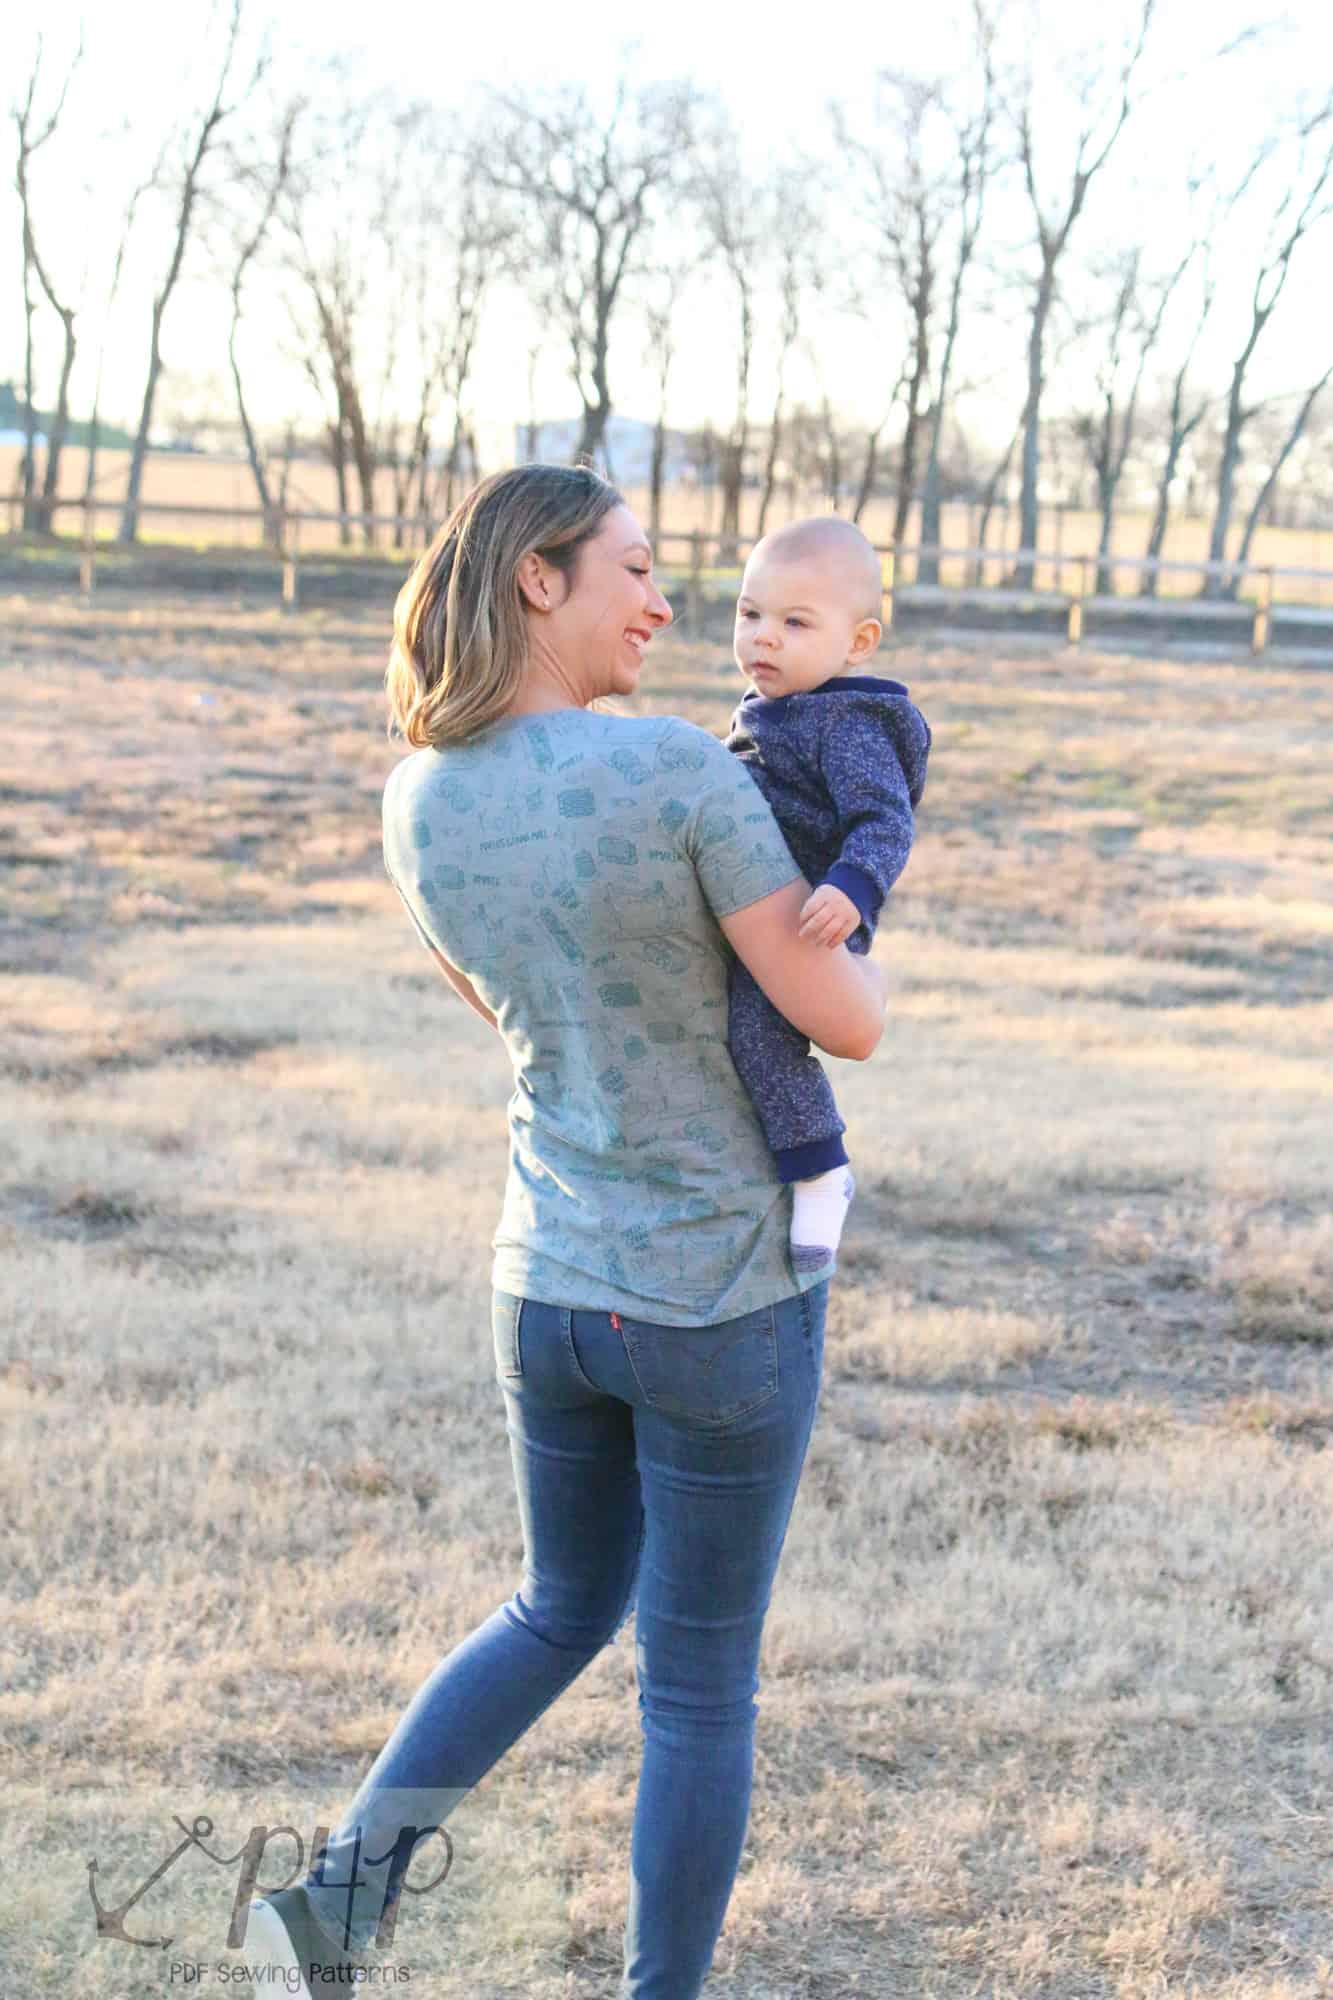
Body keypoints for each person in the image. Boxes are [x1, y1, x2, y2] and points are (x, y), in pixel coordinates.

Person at [242, 464, 888, 2000]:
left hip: (544, 1287)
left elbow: (512, 1018)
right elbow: (844, 1021)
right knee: (698, 1691)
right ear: (540, 579)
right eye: (636, 571)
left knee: (554, 1609)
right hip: (715, 1298)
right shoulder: (678, 770)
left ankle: (328, 1913)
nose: (666, 605)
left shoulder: (417, 797)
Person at [723, 516, 931, 1269]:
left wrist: (853, 887)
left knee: (759, 1029)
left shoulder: (847, 723)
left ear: (858, 642)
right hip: (757, 899)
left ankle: (819, 1168)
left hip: (817, 911)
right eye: (750, 613)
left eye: (794, 622)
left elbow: (884, 819)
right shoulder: (769, 706)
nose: (763, 637)